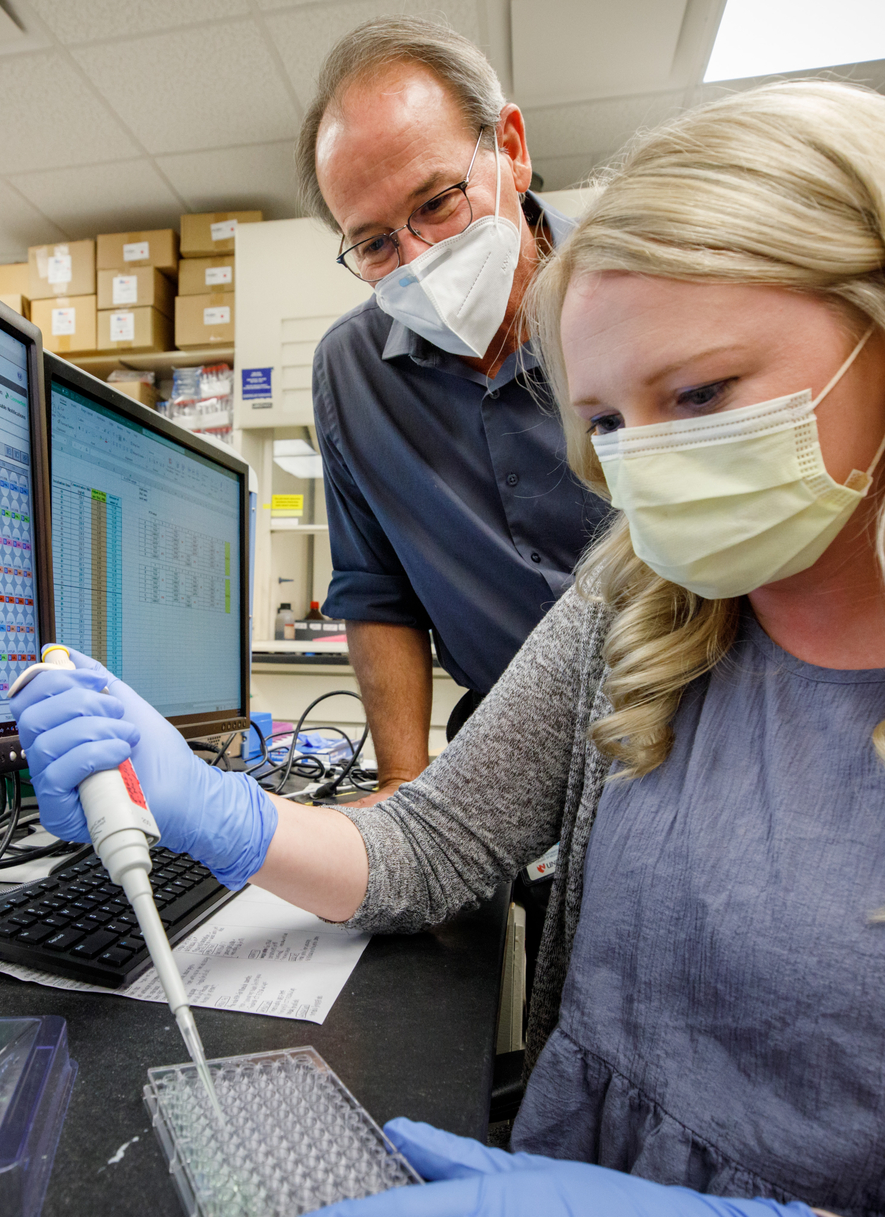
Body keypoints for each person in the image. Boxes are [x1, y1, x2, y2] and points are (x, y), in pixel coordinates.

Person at [15, 82, 885, 1217]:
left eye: (703, 395)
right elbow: (435, 840)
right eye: (609, 421)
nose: (648, 469)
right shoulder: (638, 602)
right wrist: (208, 808)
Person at [297, 17, 605, 804]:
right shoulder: (352, 373)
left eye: (437, 202)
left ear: (510, 146)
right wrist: (403, 783)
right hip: (499, 760)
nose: (419, 259)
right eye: (372, 244)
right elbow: (377, 590)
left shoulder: (631, 296)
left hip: (688, 720)